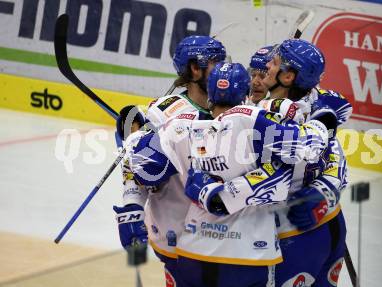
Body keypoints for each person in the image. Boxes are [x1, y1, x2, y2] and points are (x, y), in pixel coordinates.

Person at [127, 62, 330, 287]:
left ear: (210, 95)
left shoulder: (178, 127)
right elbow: (307, 152)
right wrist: (321, 121)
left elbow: (142, 166)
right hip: (248, 255)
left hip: (193, 250)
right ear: (246, 94)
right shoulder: (255, 119)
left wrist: (135, 134)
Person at [193, 39, 352, 287]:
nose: (266, 67)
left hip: (289, 235)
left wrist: (209, 191)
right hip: (329, 223)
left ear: (288, 77)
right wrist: (325, 194)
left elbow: (273, 170)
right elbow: (336, 159)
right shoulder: (318, 107)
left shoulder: (260, 115)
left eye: (273, 63)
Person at [112, 35, 226, 286]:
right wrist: (132, 204)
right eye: (215, 64)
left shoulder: (235, 101)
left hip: (226, 239)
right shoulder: (164, 113)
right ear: (195, 70)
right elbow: (136, 163)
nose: (223, 70)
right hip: (177, 236)